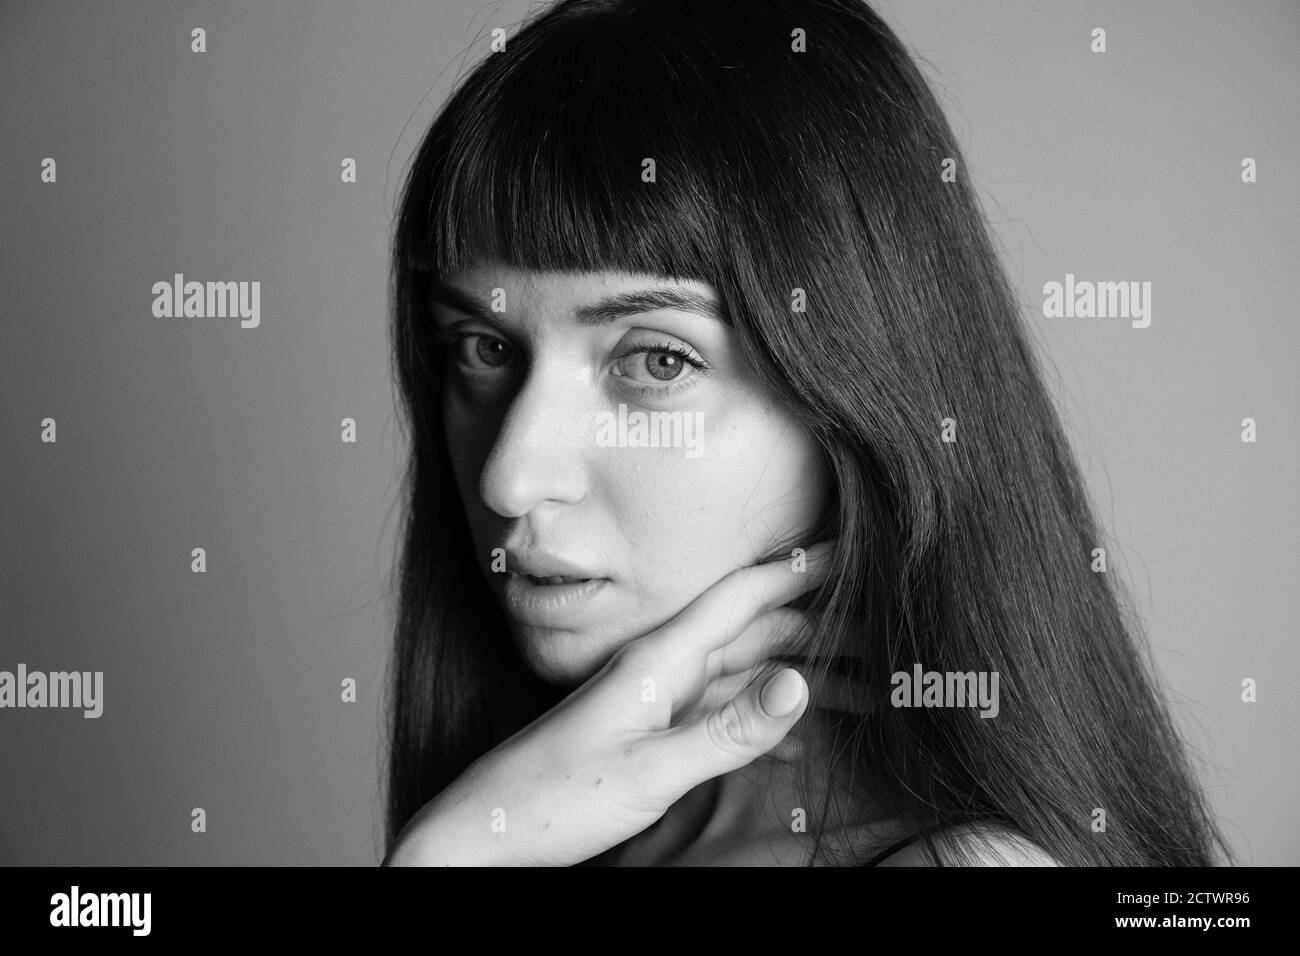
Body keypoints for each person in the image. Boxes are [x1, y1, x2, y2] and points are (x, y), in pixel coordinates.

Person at [380, 0, 1229, 866]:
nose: (509, 477)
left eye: (658, 362)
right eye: (482, 348)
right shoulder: (549, 820)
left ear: (857, 395)